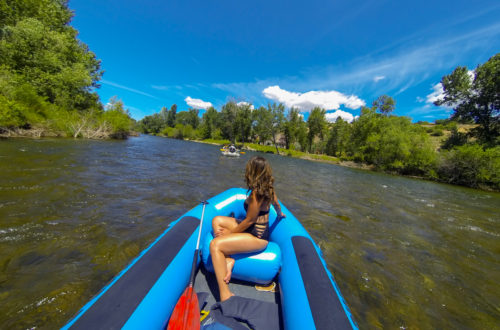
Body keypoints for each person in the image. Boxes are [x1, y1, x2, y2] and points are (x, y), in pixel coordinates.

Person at [210, 156, 285, 302]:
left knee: (215, 245)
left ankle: (225, 293)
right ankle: (228, 259)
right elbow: (277, 205)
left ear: (253, 172)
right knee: (217, 220)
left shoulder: (257, 194)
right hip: (251, 229)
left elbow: (249, 220)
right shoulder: (269, 189)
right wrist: (280, 214)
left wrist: (229, 234)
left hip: (257, 237)